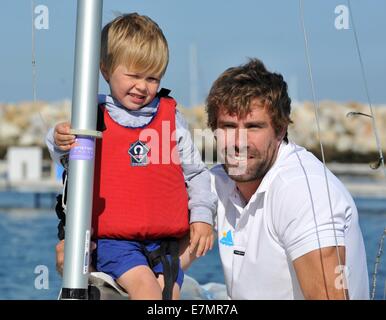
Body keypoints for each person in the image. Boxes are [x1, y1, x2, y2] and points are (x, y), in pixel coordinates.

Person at [47, 13, 216, 300]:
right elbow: (63, 152)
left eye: (152, 78)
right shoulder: (92, 114)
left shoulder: (171, 119)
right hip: (115, 242)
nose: (142, 86)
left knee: (170, 295)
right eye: (134, 76)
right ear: (105, 70)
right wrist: (58, 138)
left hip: (163, 242)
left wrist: (202, 216)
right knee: (146, 290)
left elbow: (196, 173)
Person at [204, 58, 369, 299]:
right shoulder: (217, 183)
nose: (238, 142)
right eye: (228, 126)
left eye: (253, 127)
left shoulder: (302, 190)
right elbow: (167, 256)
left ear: (280, 130)